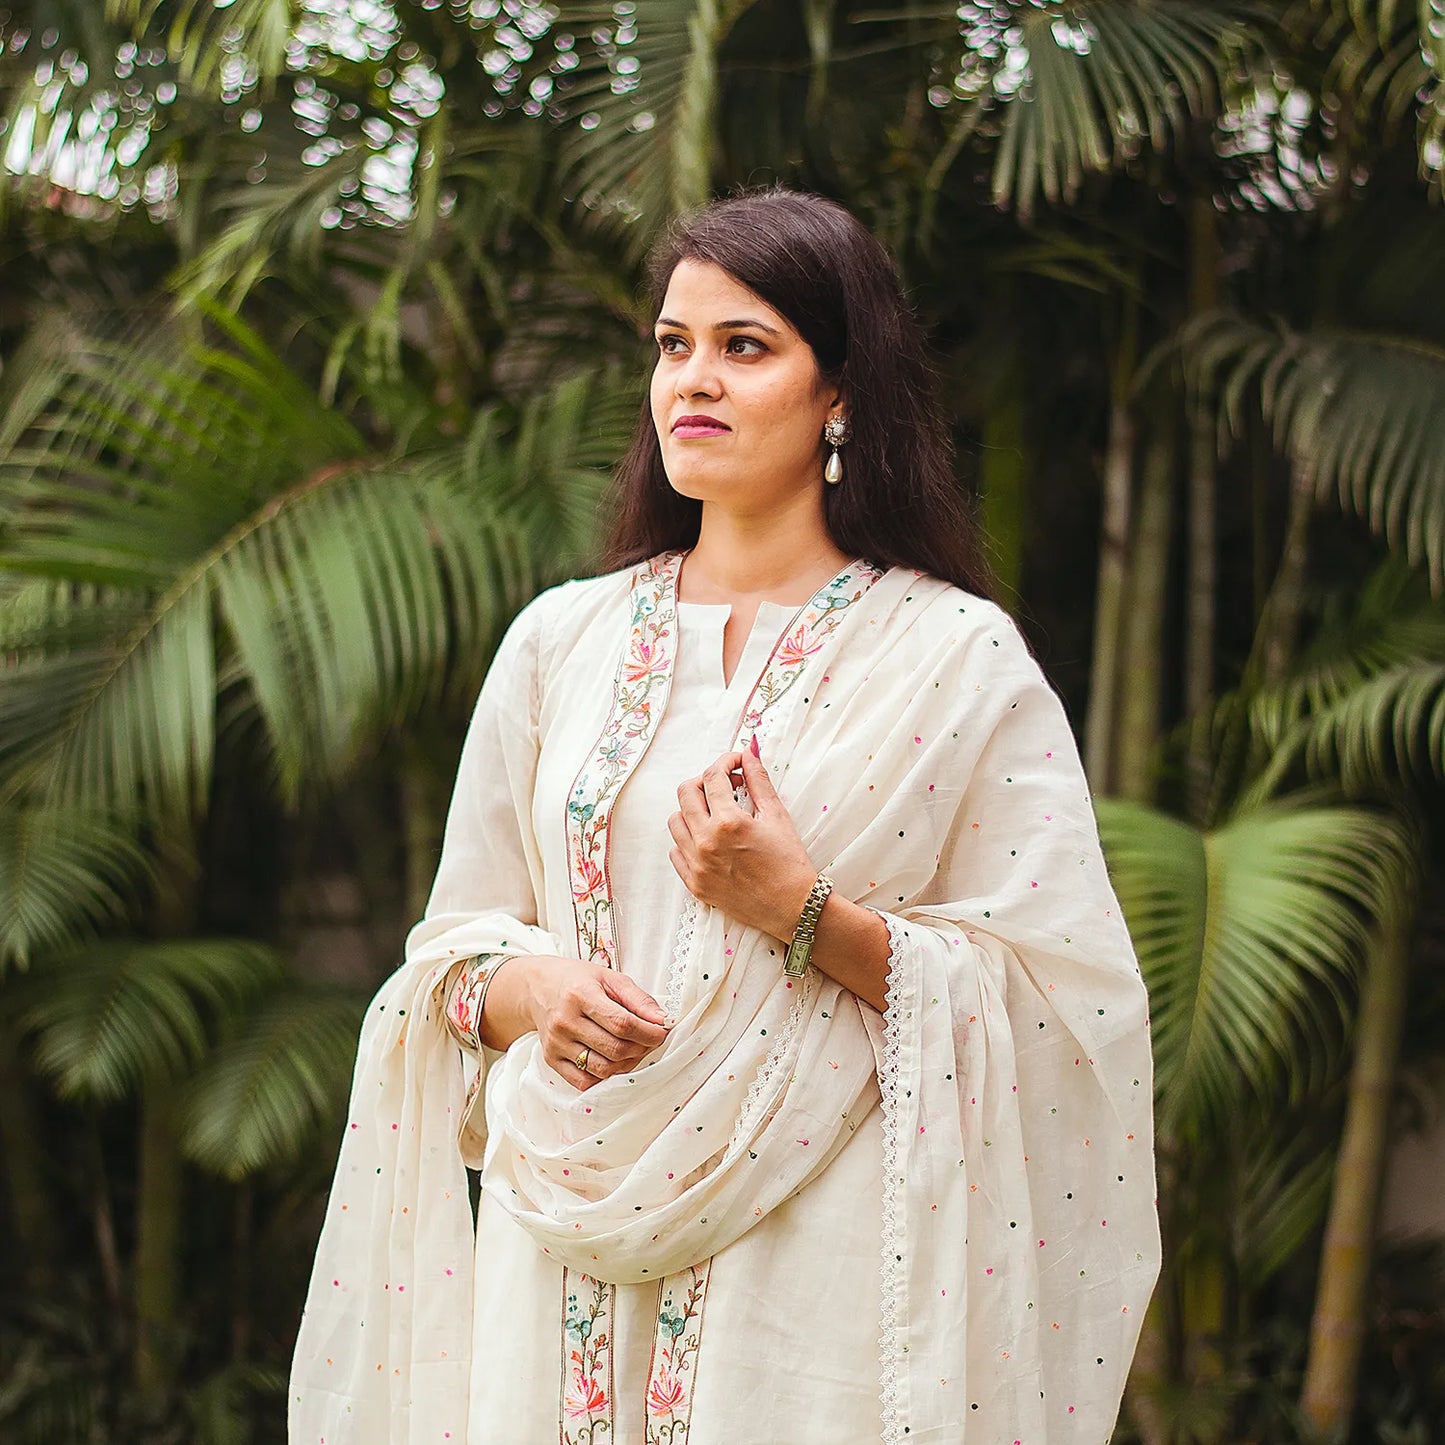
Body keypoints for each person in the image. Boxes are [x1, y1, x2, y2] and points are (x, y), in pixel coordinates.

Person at [289, 188, 1161, 1444]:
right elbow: (454, 947)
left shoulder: (952, 658)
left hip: (815, 1261)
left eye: (742, 347)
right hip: (563, 1244)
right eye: (671, 344)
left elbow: (1060, 1007)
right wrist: (528, 992)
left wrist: (797, 910)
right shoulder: (559, 644)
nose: (691, 379)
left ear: (840, 391)